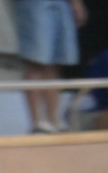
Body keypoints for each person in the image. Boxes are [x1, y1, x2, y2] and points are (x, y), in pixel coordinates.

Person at [17, 0, 88, 130]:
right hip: (36, 4)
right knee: (36, 62)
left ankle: (53, 119)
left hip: (62, 4)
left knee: (55, 63)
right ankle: (37, 122)